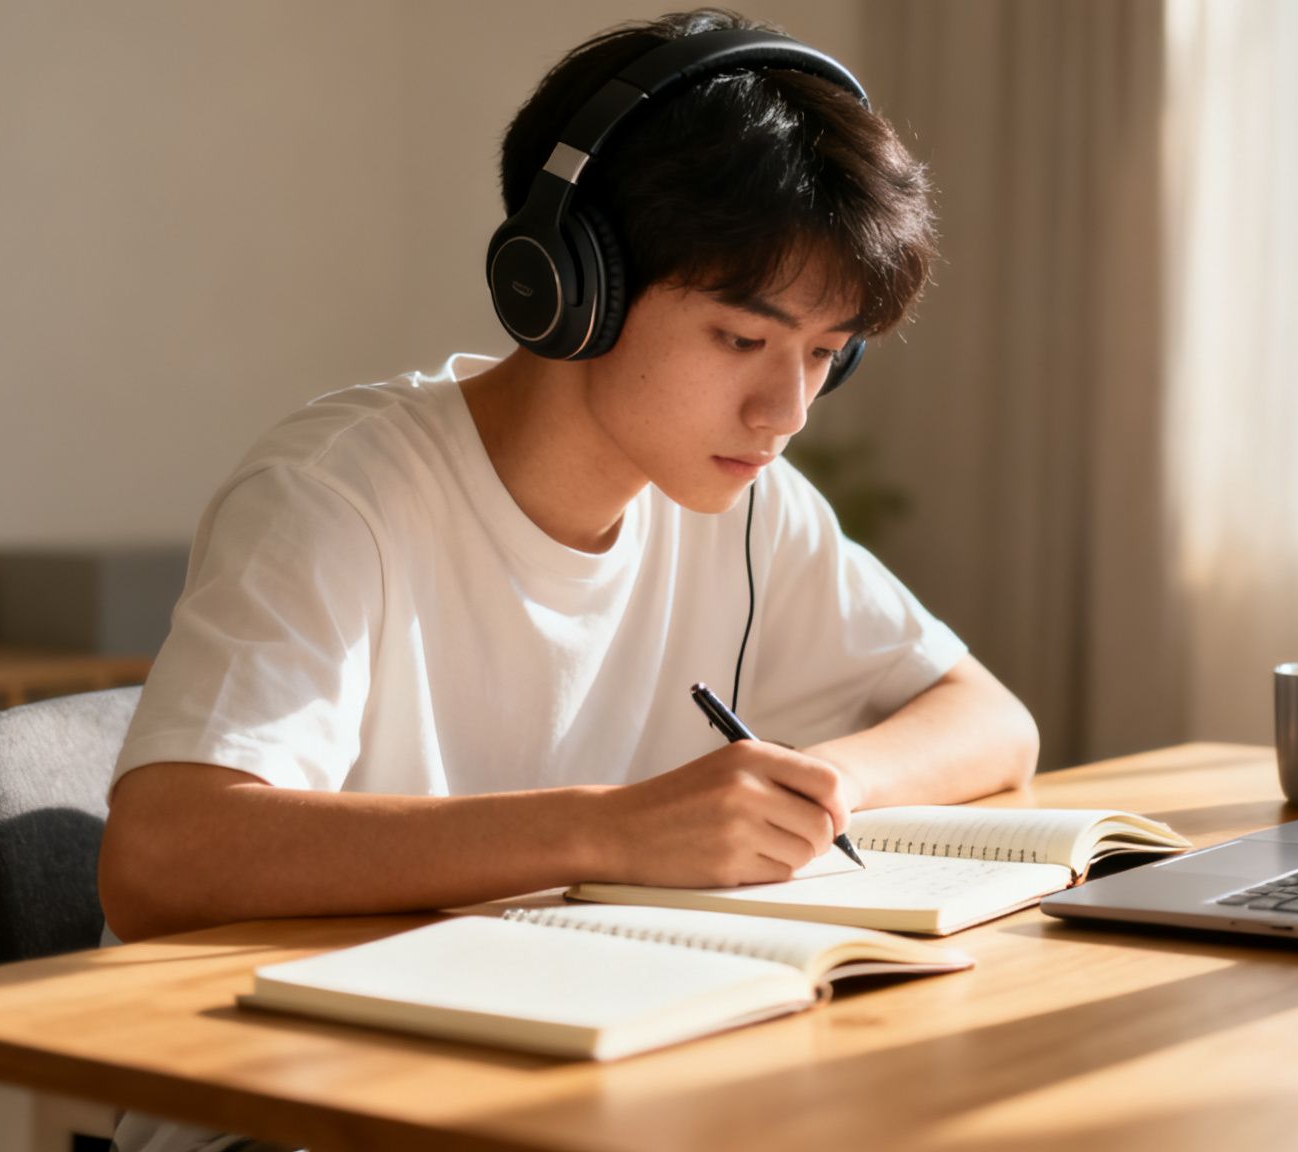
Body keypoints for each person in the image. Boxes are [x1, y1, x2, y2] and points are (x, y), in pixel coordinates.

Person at [96, 6, 1037, 993]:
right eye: (740, 340)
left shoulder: (747, 499)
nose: (786, 410)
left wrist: (816, 792)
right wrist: (610, 829)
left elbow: (991, 722)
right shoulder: (337, 492)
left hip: (577, 1034)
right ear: (567, 283)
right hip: (288, 1084)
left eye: (820, 353)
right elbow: (161, 860)